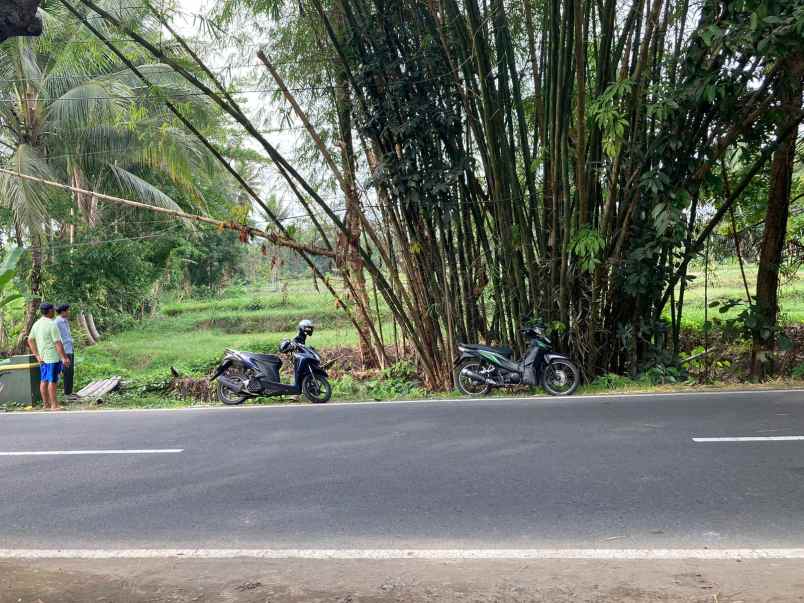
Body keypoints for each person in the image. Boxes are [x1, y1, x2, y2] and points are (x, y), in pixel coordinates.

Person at [27, 303, 71, 410]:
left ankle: (46, 404)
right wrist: (64, 357)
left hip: (42, 358)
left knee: (44, 380)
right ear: (50, 311)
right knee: (52, 381)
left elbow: (30, 339)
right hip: (52, 357)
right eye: (53, 310)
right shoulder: (52, 324)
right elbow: (57, 343)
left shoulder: (37, 324)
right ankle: (54, 405)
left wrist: (37, 355)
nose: (54, 312)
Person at [55, 304, 74, 396]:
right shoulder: (57, 322)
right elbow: (57, 338)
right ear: (63, 312)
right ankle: (67, 393)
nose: (69, 312)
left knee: (70, 371)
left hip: (69, 348)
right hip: (64, 350)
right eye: (68, 310)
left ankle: (69, 392)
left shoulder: (65, 321)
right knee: (66, 371)